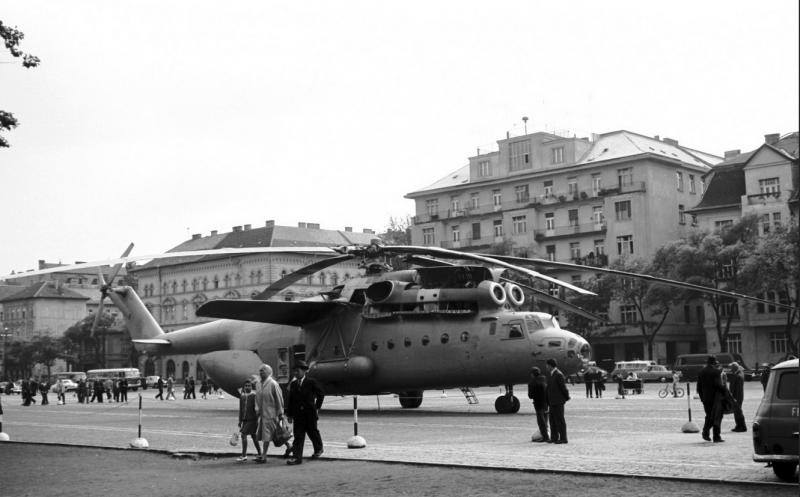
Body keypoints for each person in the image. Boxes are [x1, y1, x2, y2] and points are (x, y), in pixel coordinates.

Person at [285, 360, 325, 464]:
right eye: (294, 371)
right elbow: (291, 400)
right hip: (298, 415)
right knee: (298, 436)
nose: (295, 373)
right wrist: (289, 414)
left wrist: (317, 407)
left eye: (297, 371)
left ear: (304, 371)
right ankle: (297, 458)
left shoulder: (311, 382)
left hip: (310, 413)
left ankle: (318, 449)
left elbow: (321, 394)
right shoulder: (293, 384)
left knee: (313, 432)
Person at [254, 364, 285, 463]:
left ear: (268, 372)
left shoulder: (273, 384)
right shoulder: (258, 384)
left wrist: (281, 413)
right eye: (260, 370)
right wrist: (257, 409)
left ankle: (264, 456)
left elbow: (279, 399)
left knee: (267, 435)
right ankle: (289, 446)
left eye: (263, 370)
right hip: (262, 414)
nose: (260, 372)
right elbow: (257, 398)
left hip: (271, 414)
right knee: (276, 434)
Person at [696, 355, 726, 443]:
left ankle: (705, 433)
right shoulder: (716, 372)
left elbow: (699, 387)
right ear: (714, 363)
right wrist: (724, 391)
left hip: (706, 398)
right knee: (717, 416)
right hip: (715, 399)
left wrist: (702, 398)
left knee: (709, 416)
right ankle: (716, 436)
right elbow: (718, 385)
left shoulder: (701, 371)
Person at [545, 358, 570, 444]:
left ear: (550, 365)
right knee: (552, 420)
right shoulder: (551, 374)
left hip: (558, 401)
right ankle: (554, 437)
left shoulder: (558, 374)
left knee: (559, 420)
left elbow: (563, 387)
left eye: (547, 365)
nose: (546, 367)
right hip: (552, 401)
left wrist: (566, 398)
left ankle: (563, 438)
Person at [237, 379, 262, 462]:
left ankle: (244, 455)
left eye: (249, 386)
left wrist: (257, 418)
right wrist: (240, 420)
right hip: (245, 420)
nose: (247, 387)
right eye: (246, 386)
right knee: (254, 436)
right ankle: (260, 453)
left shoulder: (254, 395)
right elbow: (241, 409)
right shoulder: (242, 396)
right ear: (244, 387)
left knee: (243, 434)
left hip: (252, 419)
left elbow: (257, 408)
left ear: (252, 387)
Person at [527, 367, 549, 442]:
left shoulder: (532, 383)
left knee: (541, 421)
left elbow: (530, 396)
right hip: (546, 403)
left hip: (538, 404)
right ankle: (547, 435)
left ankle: (545, 437)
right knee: (545, 421)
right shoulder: (545, 380)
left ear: (532, 374)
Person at [727, 362, 747, 432]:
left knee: (738, 412)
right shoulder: (738, 374)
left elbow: (736, 389)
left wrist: (733, 397)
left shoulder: (738, 376)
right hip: (737, 396)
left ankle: (742, 426)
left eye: (731, 368)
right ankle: (738, 425)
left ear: (734, 368)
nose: (730, 370)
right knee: (736, 412)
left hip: (737, 397)